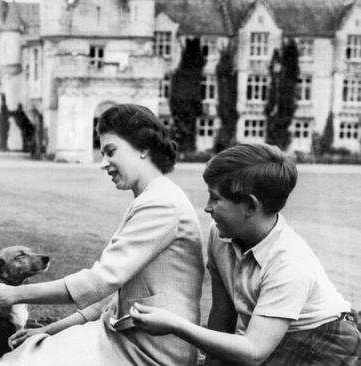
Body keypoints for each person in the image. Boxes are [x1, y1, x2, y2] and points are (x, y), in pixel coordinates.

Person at [0, 104, 205, 365]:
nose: (103, 163)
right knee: (20, 356)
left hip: (151, 352)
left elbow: (101, 281)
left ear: (143, 148)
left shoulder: (162, 204)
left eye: (111, 152)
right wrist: (48, 331)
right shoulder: (151, 198)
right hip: (122, 338)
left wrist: (17, 294)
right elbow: (111, 296)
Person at [128, 143, 361, 366]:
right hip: (268, 337)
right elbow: (222, 313)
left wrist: (176, 325)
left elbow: (253, 353)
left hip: (323, 341)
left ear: (250, 206)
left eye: (216, 198)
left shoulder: (289, 263)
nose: (207, 207)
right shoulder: (219, 235)